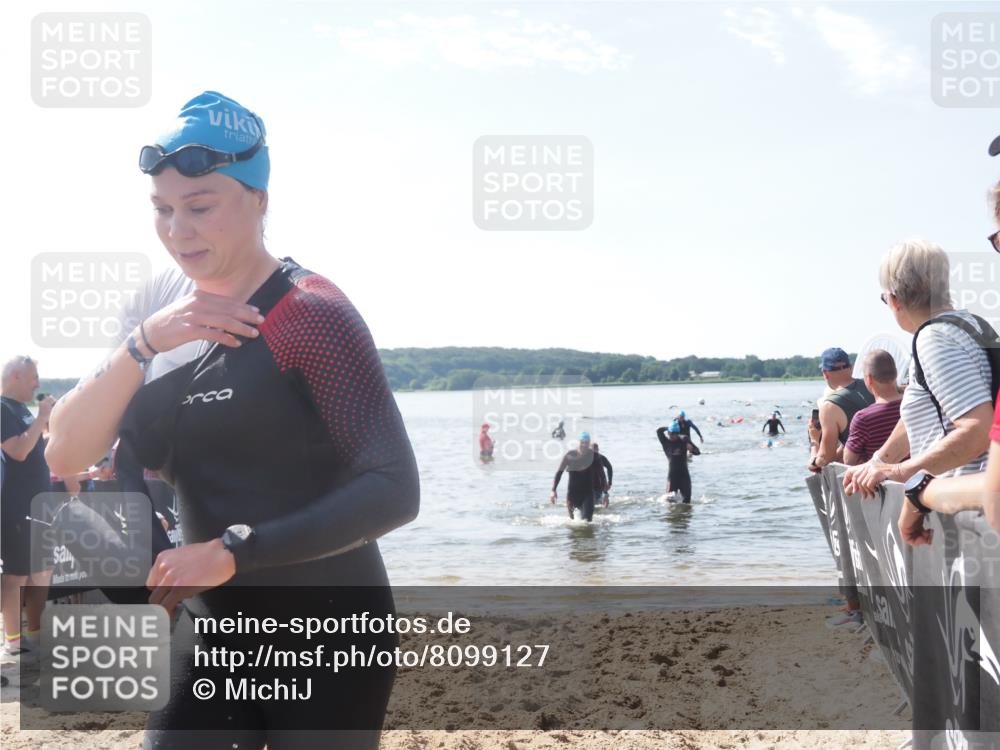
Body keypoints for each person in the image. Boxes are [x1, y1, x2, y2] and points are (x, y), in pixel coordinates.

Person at [45, 91, 420, 749]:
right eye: (161, 210)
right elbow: (66, 456)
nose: (177, 230)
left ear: (259, 199)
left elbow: (394, 487)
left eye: (200, 207)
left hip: (328, 632)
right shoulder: (154, 310)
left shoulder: (312, 313)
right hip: (212, 628)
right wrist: (141, 346)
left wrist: (232, 551)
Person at [842, 240, 995, 548]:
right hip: (973, 501)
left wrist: (905, 476)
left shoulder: (934, 339)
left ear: (895, 299)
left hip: (966, 519)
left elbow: (977, 430)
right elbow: (918, 412)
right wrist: (878, 462)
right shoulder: (971, 325)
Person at [1, 356, 56, 658]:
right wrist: (41, 417)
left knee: (43, 572)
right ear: (17, 376)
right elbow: (19, 452)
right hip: (16, 505)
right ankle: (12, 639)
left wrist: (50, 421)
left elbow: (36, 447)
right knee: (17, 575)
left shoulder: (21, 409)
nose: (37, 383)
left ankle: (36, 633)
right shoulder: (2, 408)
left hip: (39, 504)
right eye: (34, 376)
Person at [808, 348, 874, 473]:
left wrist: (814, 442)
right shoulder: (872, 384)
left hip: (864, 476)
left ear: (825, 373)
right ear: (851, 367)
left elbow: (825, 458)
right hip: (890, 462)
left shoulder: (829, 407)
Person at [843, 350, 904, 465]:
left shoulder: (863, 418)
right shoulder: (914, 404)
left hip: (883, 480)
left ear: (869, 379)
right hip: (920, 478)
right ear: (895, 374)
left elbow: (848, 460)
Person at [550, 432, 602, 521]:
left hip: (588, 495)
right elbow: (559, 472)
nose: (584, 445)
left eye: (586, 442)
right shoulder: (570, 455)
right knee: (573, 523)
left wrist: (605, 494)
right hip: (572, 495)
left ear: (589, 443)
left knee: (587, 522)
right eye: (582, 442)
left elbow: (602, 474)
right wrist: (553, 490)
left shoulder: (594, 456)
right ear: (579, 442)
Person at [656, 421, 701, 503]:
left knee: (687, 502)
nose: (671, 436)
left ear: (677, 433)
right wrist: (669, 427)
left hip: (684, 476)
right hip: (672, 477)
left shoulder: (684, 440)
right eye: (669, 433)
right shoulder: (665, 442)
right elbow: (659, 430)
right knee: (669, 502)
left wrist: (692, 449)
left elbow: (698, 452)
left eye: (673, 434)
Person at [591, 442, 613, 509]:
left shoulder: (601, 458)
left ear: (598, 449)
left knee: (599, 503)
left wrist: (609, 482)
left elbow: (609, 468)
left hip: (601, 484)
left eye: (595, 449)